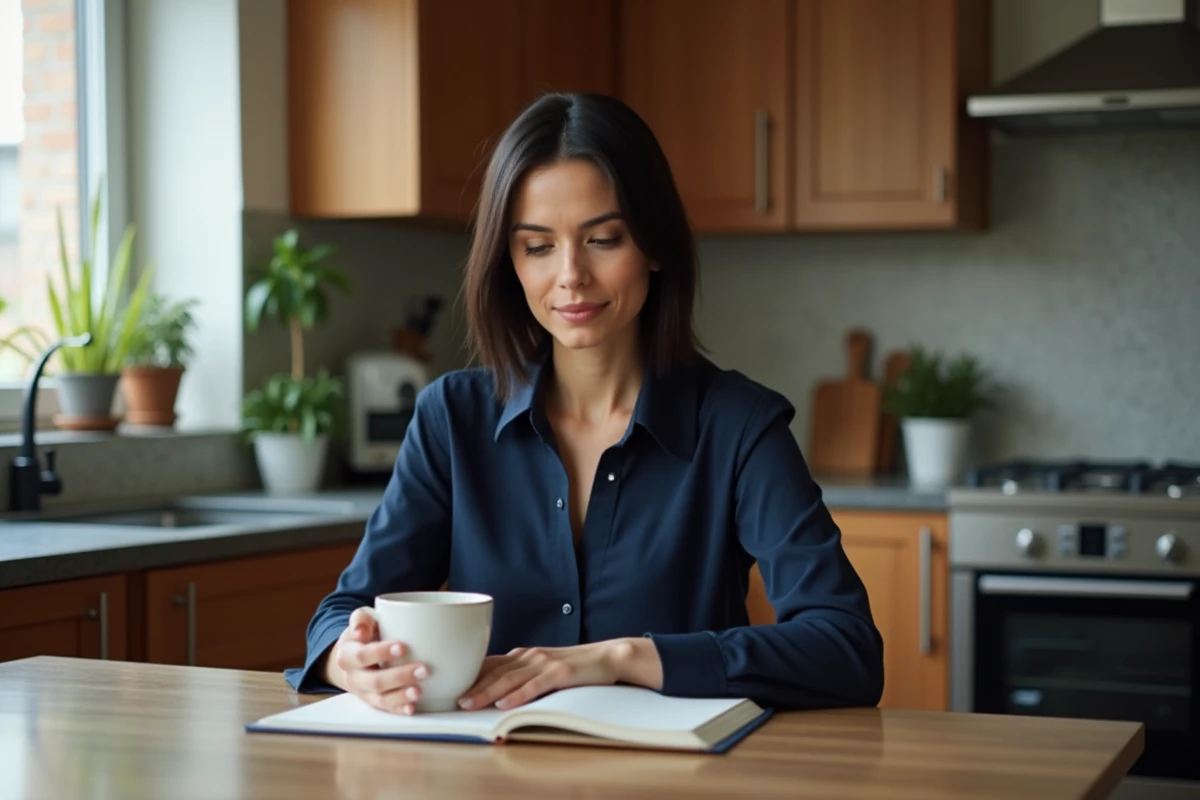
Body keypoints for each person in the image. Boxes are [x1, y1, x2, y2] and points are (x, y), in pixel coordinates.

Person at [285, 93, 884, 716]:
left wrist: (620, 658)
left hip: (672, 767)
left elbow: (846, 647)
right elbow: (341, 613)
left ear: (654, 244)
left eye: (603, 239)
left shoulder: (740, 426)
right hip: (486, 761)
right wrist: (347, 660)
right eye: (538, 246)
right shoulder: (451, 418)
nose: (571, 275)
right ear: (509, 262)